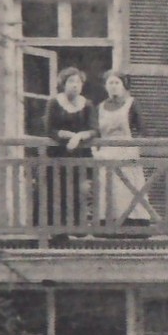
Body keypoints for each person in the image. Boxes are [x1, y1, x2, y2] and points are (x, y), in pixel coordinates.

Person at [93, 72, 156, 227]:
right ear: (105, 86)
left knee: (128, 190)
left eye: (117, 83)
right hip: (106, 153)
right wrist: (96, 150)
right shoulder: (100, 107)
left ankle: (134, 224)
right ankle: (109, 225)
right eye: (110, 83)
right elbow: (94, 131)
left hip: (126, 153)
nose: (113, 86)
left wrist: (135, 147)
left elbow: (143, 130)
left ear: (123, 86)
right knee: (110, 190)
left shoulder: (131, 103)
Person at [44, 66, 96, 230]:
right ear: (63, 84)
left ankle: (77, 228)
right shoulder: (54, 102)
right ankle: (57, 231)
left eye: (78, 82)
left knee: (78, 192)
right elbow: (49, 129)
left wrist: (79, 136)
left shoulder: (87, 104)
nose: (75, 85)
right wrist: (66, 135)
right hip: (58, 154)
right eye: (71, 81)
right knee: (57, 192)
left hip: (80, 155)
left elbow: (95, 129)